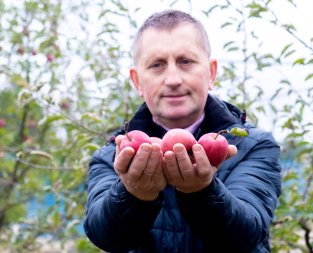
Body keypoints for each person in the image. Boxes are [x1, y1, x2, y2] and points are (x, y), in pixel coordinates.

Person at [84, 9, 282, 253]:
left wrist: (202, 192)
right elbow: (105, 237)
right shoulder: (113, 156)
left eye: (185, 61)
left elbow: (248, 236)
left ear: (211, 73)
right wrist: (133, 194)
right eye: (157, 65)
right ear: (137, 82)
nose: (173, 79)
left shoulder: (253, 146)